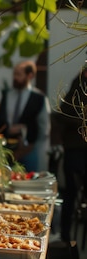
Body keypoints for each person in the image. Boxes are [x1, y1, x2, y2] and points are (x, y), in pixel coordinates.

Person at [0, 60, 51, 172]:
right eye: (14, 74)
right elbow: (1, 118)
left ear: (29, 75)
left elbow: (44, 127)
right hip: (8, 149)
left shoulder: (39, 98)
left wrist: (25, 130)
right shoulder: (7, 95)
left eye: (19, 74)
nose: (15, 78)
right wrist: (8, 128)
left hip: (30, 150)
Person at [54, 66, 87, 244]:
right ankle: (65, 237)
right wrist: (82, 122)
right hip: (75, 149)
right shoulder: (78, 84)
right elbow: (62, 113)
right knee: (70, 194)